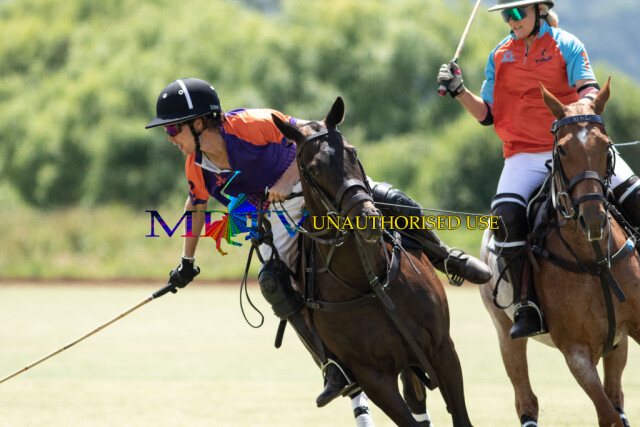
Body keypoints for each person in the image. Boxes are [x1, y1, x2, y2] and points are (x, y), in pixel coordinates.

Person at [144, 77, 491, 410]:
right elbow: (196, 207)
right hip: (276, 217)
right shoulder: (196, 166)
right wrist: (187, 262)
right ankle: (331, 364)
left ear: (200, 123)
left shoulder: (252, 124)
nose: (169, 138)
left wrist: (287, 178)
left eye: (173, 129)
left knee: (394, 200)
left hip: (315, 183)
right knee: (274, 282)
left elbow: (314, 134)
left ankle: (445, 257)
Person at [437, 0, 640, 339]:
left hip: (576, 146)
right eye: (507, 14)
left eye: (519, 12)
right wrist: (460, 92)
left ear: (539, 11)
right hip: (524, 154)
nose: (512, 20)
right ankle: (527, 304)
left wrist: (574, 127)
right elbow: (487, 114)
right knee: (505, 218)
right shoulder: (499, 56)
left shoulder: (567, 44)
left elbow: (589, 91)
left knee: (636, 196)